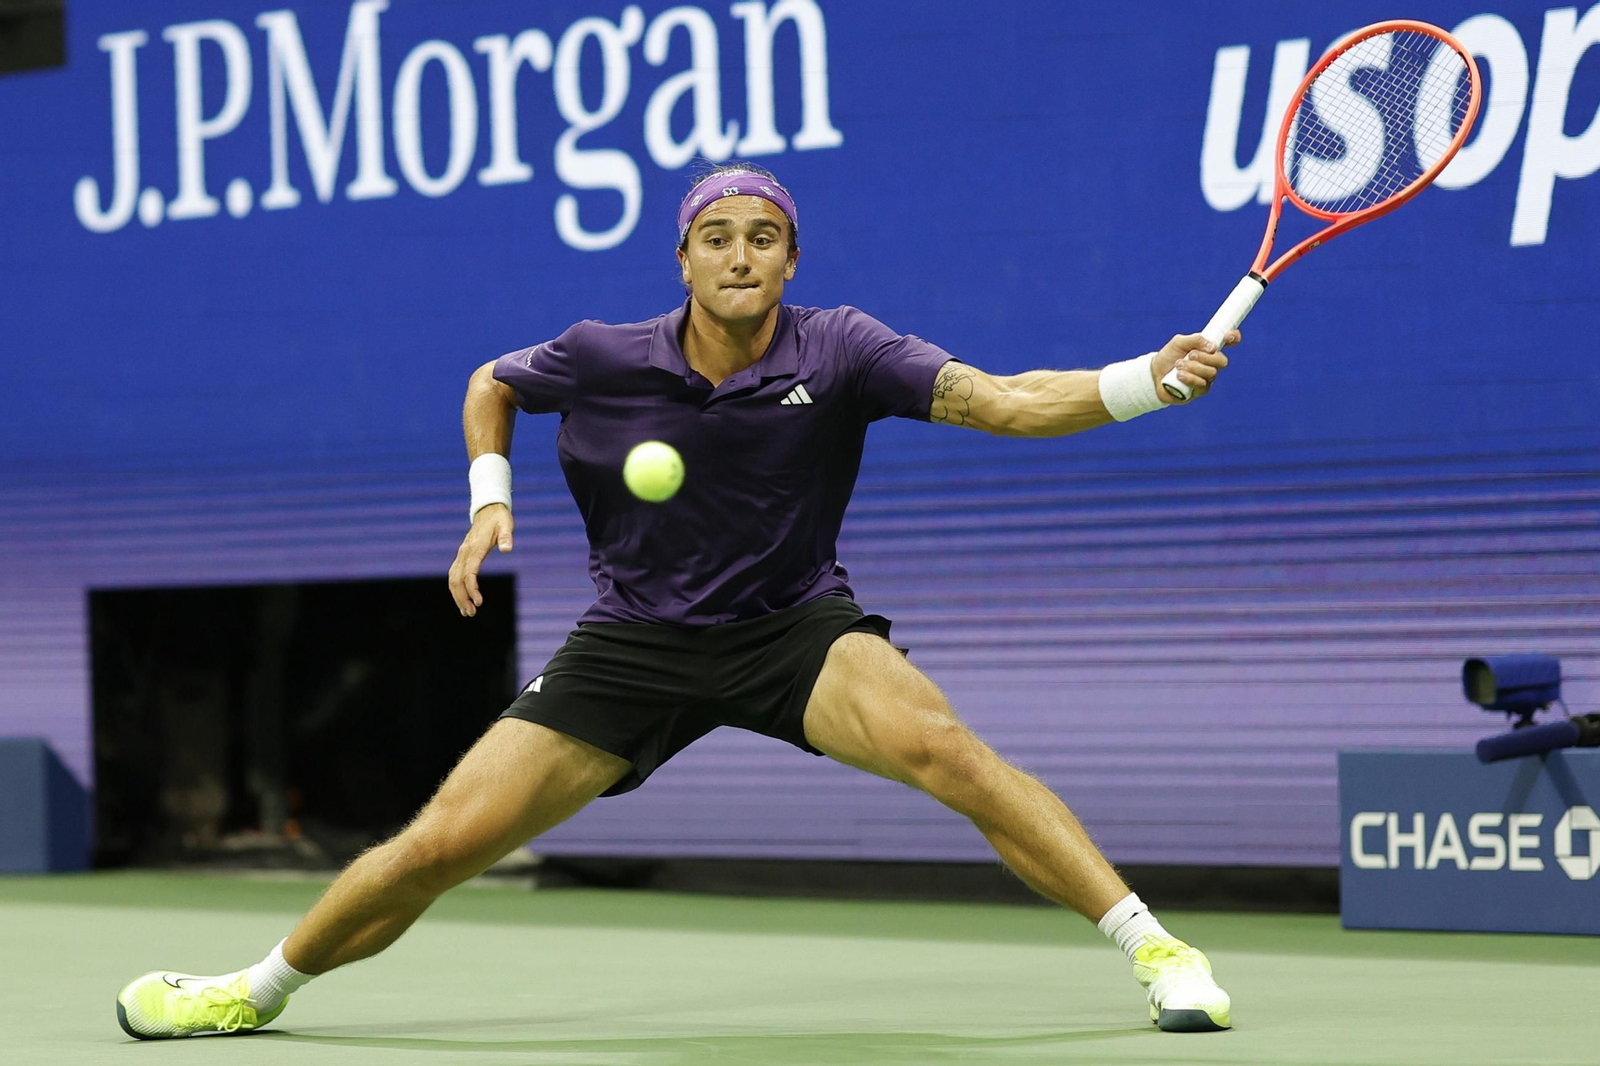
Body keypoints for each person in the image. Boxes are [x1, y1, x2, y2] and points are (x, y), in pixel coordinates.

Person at [116, 163, 1236, 1040]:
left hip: (791, 629)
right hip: (632, 642)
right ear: (685, 259)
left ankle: (1157, 952)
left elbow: (1003, 401)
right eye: (717, 238)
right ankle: (252, 991)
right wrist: (487, 496)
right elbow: (491, 384)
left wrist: (1146, 380)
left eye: (762, 238)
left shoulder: (842, 348)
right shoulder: (603, 355)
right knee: (440, 841)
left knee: (949, 751)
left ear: (790, 259)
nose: (739, 255)